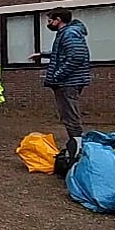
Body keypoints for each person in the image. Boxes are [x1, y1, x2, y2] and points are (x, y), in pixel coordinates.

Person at [29, 10, 90, 140]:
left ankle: (78, 146)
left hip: (68, 82)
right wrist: (42, 55)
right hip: (67, 81)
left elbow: (76, 57)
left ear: (58, 20)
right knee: (67, 114)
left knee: (70, 115)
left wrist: (58, 75)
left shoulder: (69, 33)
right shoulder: (66, 33)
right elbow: (62, 53)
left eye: (50, 21)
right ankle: (76, 144)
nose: (49, 24)